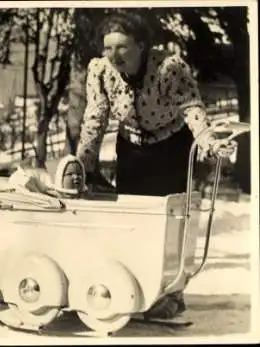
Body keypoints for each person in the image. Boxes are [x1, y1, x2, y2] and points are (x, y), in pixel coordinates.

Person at [76, 11, 236, 319]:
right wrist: (82, 165)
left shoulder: (168, 68)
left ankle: (171, 294)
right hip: (133, 148)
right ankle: (137, 289)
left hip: (171, 147)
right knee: (135, 221)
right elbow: (94, 120)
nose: (114, 55)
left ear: (141, 45)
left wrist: (206, 140)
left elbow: (192, 108)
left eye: (122, 47)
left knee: (170, 222)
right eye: (108, 48)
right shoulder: (100, 71)